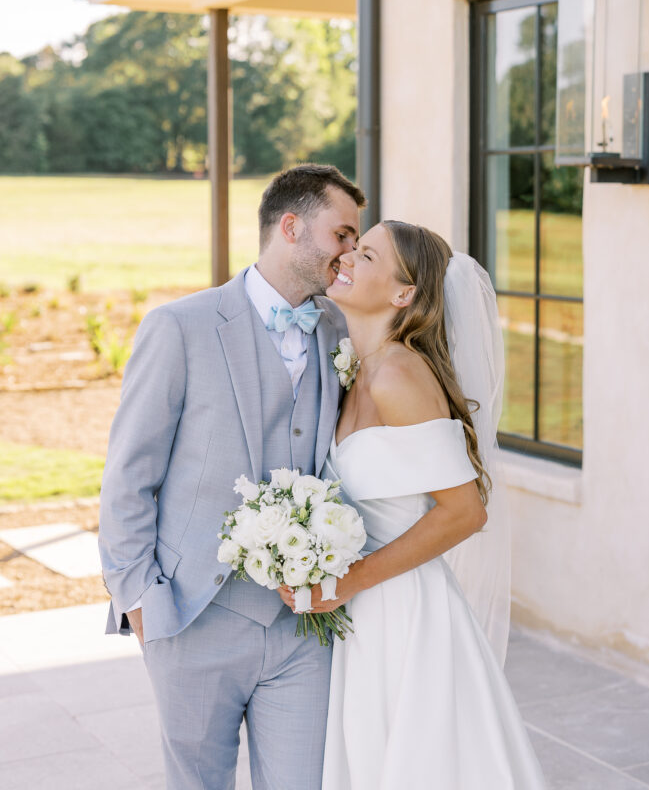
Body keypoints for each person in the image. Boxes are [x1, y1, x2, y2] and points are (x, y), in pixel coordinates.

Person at [98, 164, 365, 790]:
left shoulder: (342, 330)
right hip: (195, 616)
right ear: (292, 227)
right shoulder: (180, 327)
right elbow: (129, 476)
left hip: (304, 626)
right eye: (343, 234)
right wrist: (141, 602)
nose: (351, 253)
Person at [278, 219, 546, 788]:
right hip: (362, 609)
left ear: (404, 294)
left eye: (367, 254)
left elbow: (465, 512)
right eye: (353, 246)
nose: (347, 256)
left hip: (402, 611)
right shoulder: (358, 369)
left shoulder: (398, 374)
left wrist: (347, 581)